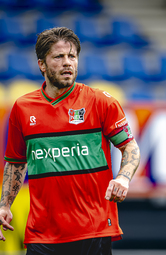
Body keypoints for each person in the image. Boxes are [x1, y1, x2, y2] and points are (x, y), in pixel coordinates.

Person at [0, 27, 140, 255]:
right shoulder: (22, 108)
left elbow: (130, 146)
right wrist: (5, 205)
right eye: (59, 56)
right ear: (42, 65)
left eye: (72, 56)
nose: (67, 63)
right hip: (43, 232)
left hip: (93, 230)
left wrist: (124, 178)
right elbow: (16, 162)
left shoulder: (101, 102)